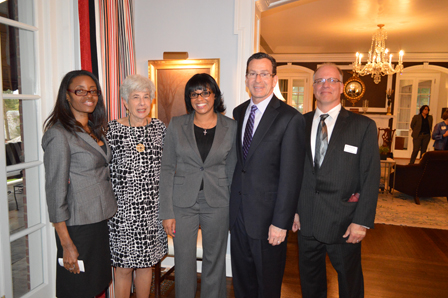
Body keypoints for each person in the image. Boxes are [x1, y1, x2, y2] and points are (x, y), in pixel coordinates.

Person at [292, 63, 380, 298]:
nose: (325, 85)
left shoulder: (363, 127)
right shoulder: (299, 123)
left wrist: (361, 222)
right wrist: (294, 210)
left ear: (341, 87)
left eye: (331, 80)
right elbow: (292, 172)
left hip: (344, 223)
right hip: (307, 221)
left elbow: (370, 178)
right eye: (320, 81)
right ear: (313, 88)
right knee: (310, 284)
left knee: (350, 284)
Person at [229, 52, 306, 298]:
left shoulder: (290, 118)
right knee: (242, 282)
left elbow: (291, 176)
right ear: (246, 78)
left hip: (268, 220)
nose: (258, 79)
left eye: (264, 73)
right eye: (252, 73)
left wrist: (281, 223)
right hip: (238, 215)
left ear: (274, 79)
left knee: (267, 285)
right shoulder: (239, 112)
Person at [160, 73, 237, 298]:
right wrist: (166, 211)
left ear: (214, 95)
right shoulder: (176, 125)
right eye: (194, 94)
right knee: (184, 259)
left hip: (218, 201)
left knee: (215, 258)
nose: (199, 98)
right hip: (182, 203)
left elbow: (232, 169)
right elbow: (166, 168)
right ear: (189, 98)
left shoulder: (231, 127)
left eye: (205, 92)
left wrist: (234, 207)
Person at [42, 70, 117, 298]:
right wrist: (66, 243)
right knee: (77, 288)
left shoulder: (92, 129)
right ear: (67, 95)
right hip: (77, 226)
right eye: (80, 91)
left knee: (96, 283)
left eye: (93, 91)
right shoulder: (59, 134)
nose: (89, 95)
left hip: (98, 221)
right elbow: (55, 192)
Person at [107, 74, 167, 298]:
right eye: (135, 97)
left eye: (146, 97)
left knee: (146, 265)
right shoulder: (112, 131)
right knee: (123, 268)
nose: (142, 103)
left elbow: (170, 168)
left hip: (152, 211)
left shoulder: (160, 128)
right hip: (121, 213)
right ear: (125, 102)